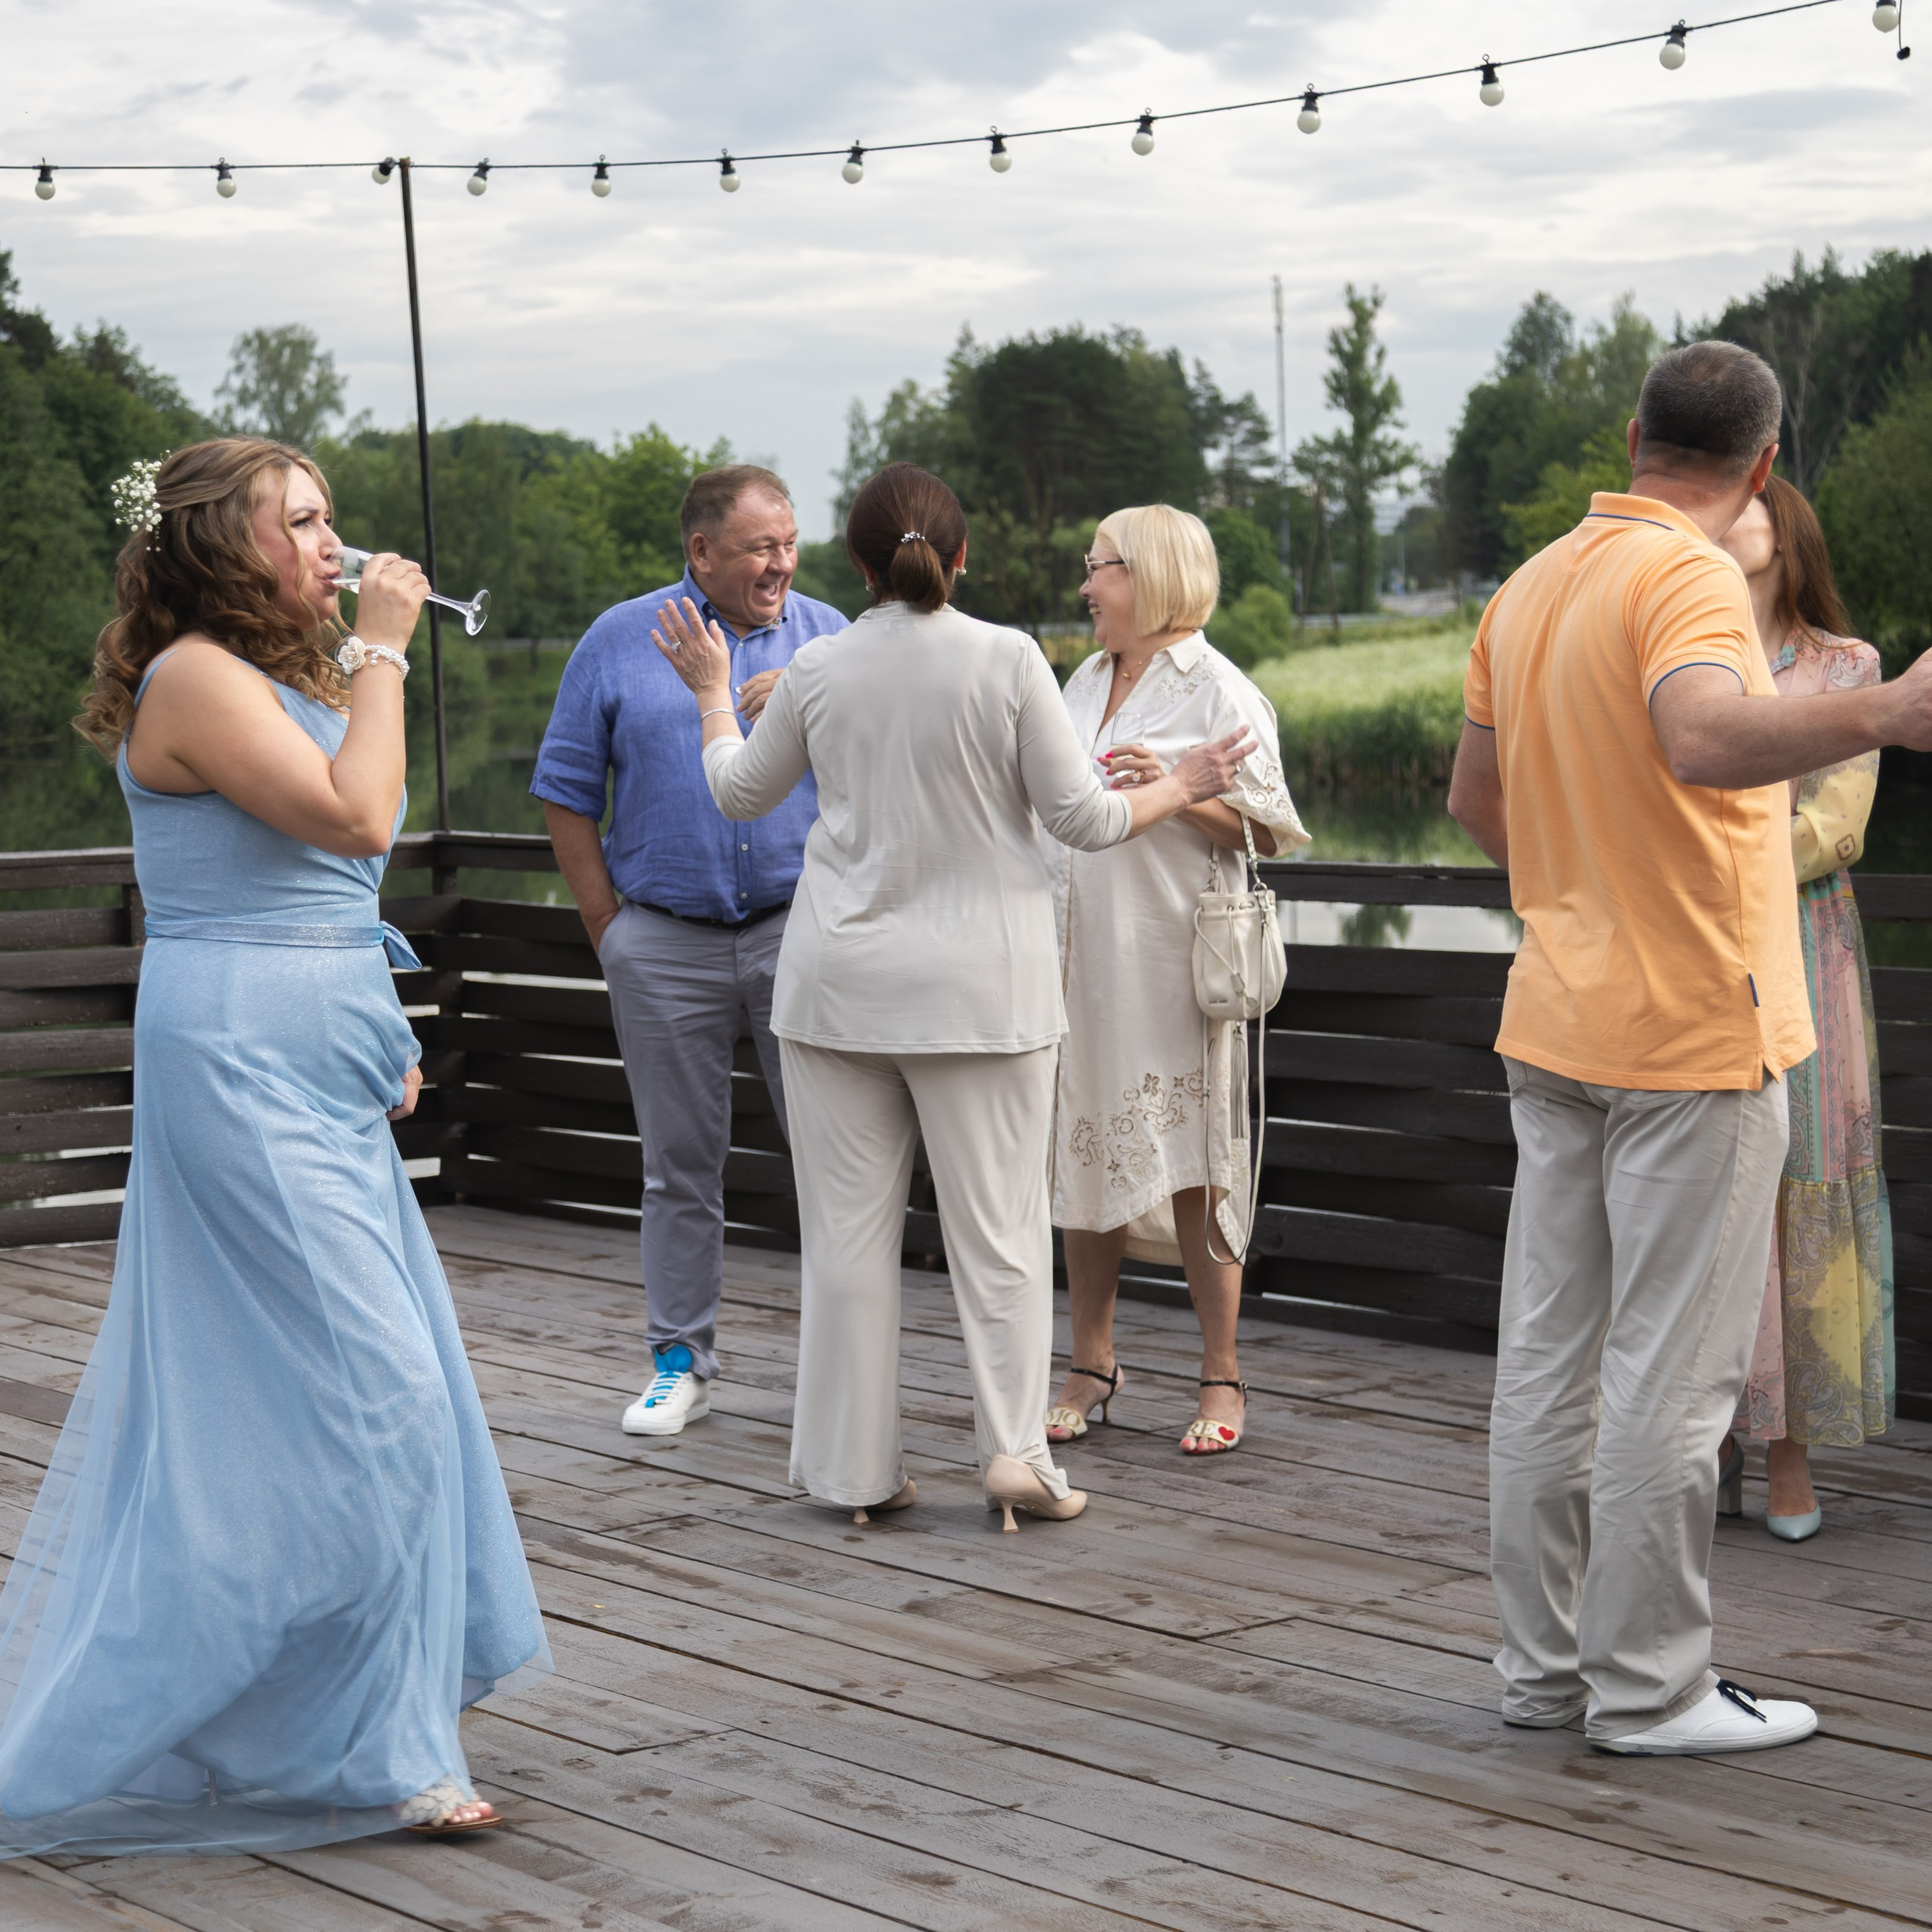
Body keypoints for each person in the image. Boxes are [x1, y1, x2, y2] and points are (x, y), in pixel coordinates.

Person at [0, 438, 547, 1857]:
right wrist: (387, 652)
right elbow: (359, 818)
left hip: (316, 1064)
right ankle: (377, 1743)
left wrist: (377, 1022)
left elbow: (335, 877)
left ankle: (296, 1718)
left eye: (328, 519)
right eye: (298, 522)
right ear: (216, 545)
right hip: (238, 1066)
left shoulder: (281, 679)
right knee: (384, 1399)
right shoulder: (194, 679)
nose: (331, 546)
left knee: (323, 1403)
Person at [1449, 340, 1932, 1757]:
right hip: (1697, 1033)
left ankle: (1545, 1674)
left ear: (1632, 434)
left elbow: (1476, 798)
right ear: (1764, 464)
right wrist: (1888, 712)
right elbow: (1705, 737)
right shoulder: (1689, 575)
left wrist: (1585, 893)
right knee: (1673, 1374)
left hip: (1559, 1018)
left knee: (1549, 1364)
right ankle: (1651, 1691)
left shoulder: (1531, 584)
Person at [651, 463, 1255, 1531]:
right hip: (983, 994)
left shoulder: (817, 668)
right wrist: (1186, 783)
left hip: (836, 991)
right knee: (1001, 1238)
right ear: (960, 557)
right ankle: (1016, 1457)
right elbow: (1086, 821)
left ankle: (853, 1473)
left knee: (846, 1242)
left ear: (858, 565)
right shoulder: (1010, 658)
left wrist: (710, 694)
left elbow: (739, 793)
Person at [531, 466, 848, 1438]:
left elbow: (885, 777)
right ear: (702, 552)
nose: (781, 563)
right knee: (678, 1167)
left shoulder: (832, 639)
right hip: (663, 943)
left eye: (789, 543)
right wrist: (608, 927)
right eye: (760, 547)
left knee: (838, 1165)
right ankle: (680, 1364)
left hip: (803, 934)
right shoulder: (617, 639)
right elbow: (565, 789)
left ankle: (843, 1373)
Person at [1044, 506, 1307, 1457]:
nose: (1086, 585)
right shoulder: (1082, 679)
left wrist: (1183, 787)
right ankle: (1092, 1362)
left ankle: (1220, 1370)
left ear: (1149, 574)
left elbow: (1270, 831)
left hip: (1167, 961)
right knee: (1083, 1150)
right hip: (1078, 958)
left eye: (1100, 566)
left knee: (1197, 1163)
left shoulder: (1218, 686)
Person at [1716, 475, 1894, 1540]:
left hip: (1805, 944)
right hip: (1699, 953)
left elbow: (1836, 826)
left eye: (1745, 504)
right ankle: (1713, 1444)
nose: (1722, 519)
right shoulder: (1687, 657)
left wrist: (1708, 860)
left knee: (1803, 1175)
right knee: (1712, 1190)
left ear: (1784, 534)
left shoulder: (1846, 666)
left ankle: (1790, 1454)